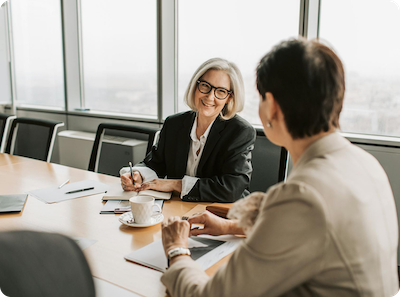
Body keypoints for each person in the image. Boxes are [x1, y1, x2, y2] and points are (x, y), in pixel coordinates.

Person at [160, 39, 399, 296]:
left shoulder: (303, 194)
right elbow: (311, 230)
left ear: (271, 106)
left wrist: (176, 249)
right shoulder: (367, 164)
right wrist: (229, 227)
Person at [120, 58, 256, 203]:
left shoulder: (240, 132)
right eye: (205, 86)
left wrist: (177, 184)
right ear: (195, 86)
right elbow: (154, 163)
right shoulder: (174, 124)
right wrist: (138, 175)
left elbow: (232, 187)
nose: (210, 97)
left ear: (229, 97)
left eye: (221, 91)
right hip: (179, 209)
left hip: (220, 214)